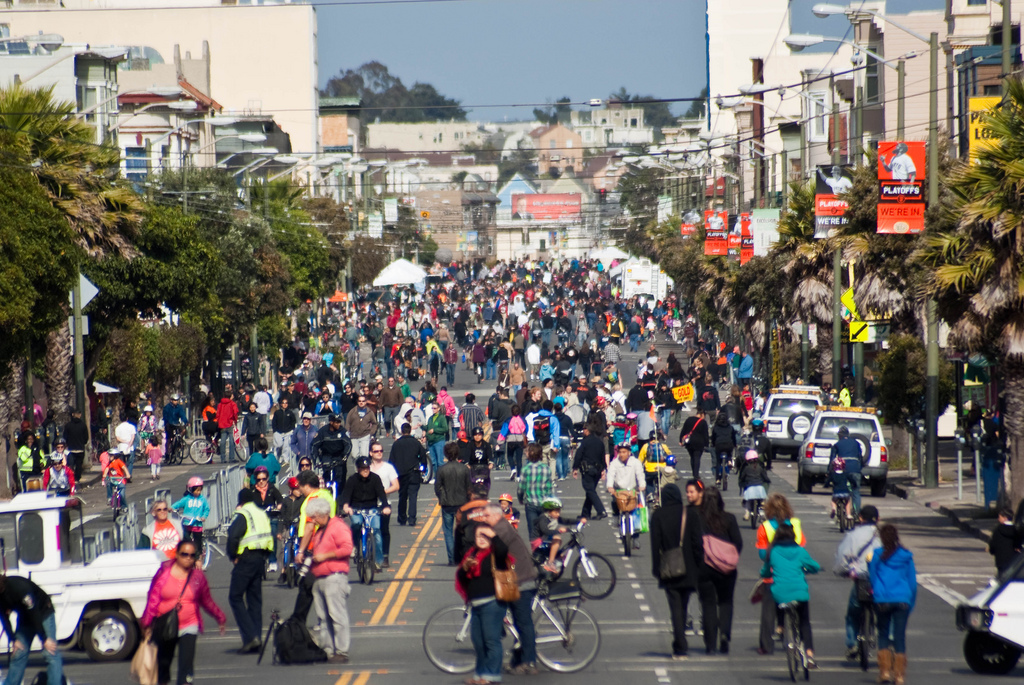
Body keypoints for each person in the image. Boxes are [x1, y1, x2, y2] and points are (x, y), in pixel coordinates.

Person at [141, 540, 227, 685]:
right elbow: (153, 600)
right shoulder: (164, 574)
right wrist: (147, 623)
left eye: (192, 555)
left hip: (189, 625)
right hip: (165, 625)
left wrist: (220, 617)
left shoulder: (198, 577)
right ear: (176, 555)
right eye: (184, 554)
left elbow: (206, 600)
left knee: (186, 666)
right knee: (163, 664)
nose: (188, 558)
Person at [477, 504, 538, 675]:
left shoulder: (501, 529)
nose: (484, 518)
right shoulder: (498, 527)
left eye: (486, 515)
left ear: (496, 516)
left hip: (521, 581)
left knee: (523, 622)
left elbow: (489, 551)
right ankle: (516, 659)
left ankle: (529, 661)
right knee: (518, 621)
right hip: (512, 580)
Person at [649, 482, 705, 660]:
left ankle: (680, 646)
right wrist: (699, 565)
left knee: (675, 607)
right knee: (684, 603)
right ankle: (681, 642)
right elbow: (697, 543)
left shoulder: (658, 515)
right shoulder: (689, 514)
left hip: (669, 568)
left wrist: (656, 568)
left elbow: (655, 544)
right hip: (689, 569)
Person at [455, 524, 510, 685]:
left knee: (491, 640)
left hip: (492, 603)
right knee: (478, 641)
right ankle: (480, 674)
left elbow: (503, 549)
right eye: (479, 536)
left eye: (485, 536)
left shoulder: (495, 554)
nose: (482, 539)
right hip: (476, 605)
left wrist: (492, 535)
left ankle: (492, 676)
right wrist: (464, 569)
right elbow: (462, 578)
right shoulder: (472, 553)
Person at [760, 522, 821, 667]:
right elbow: (815, 566)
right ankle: (810, 654)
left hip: (780, 592)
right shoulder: (800, 551)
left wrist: (766, 573)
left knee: (777, 596)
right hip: (799, 592)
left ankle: (780, 627)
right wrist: (808, 570)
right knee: (804, 622)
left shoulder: (773, 551)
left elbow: (765, 571)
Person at [755, 493, 806, 655]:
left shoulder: (765, 527)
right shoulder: (795, 524)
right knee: (799, 609)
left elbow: (763, 555)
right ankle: (800, 640)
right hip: (794, 573)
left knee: (768, 612)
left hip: (773, 574)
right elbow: (802, 546)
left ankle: (766, 645)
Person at [305, 496, 354, 664]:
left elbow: (347, 548)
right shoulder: (321, 530)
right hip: (320, 578)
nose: (313, 520)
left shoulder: (337, 527)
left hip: (334, 577)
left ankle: (341, 650)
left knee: (336, 615)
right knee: (323, 617)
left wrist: (325, 556)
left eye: (314, 517)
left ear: (322, 513)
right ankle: (328, 649)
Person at [226, 488, 273, 654]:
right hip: (260, 559)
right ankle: (257, 639)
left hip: (246, 558)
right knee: (255, 601)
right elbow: (269, 536)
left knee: (235, 596)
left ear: (240, 502)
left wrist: (233, 556)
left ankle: (250, 636)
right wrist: (265, 556)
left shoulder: (244, 514)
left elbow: (233, 536)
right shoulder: (261, 513)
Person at [696, 486, 742, 654]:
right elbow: (738, 542)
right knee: (725, 601)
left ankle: (710, 643)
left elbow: (694, 543)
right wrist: (730, 558)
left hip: (704, 567)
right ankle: (724, 633)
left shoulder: (698, 518)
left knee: (708, 604)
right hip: (726, 569)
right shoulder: (728, 518)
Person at [869, 524, 917, 685]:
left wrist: (876, 593)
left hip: (882, 599)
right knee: (899, 637)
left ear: (882, 539)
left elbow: (873, 578)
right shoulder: (906, 556)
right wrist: (910, 603)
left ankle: (884, 672)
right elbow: (912, 583)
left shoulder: (877, 555)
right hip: (902, 599)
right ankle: (900, 675)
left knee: (882, 634)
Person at [834, 504, 880, 661]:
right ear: (878, 519)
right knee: (885, 613)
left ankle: (852, 643)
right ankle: (890, 642)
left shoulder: (853, 535)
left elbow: (843, 555)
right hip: (879, 581)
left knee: (853, 614)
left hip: (861, 579)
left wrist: (841, 571)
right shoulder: (882, 536)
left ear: (860, 518)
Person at [0, 574, 64, 685]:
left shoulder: (18, 587)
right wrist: (13, 640)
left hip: (42, 612)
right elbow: (4, 617)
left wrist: (44, 638)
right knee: (19, 652)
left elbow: (33, 612)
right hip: (25, 617)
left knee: (50, 652)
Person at [340, 456, 391, 571]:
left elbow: (382, 495)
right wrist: (346, 506)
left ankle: (378, 561)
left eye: (367, 468)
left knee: (377, 529)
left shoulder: (375, 479)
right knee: (357, 523)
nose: (365, 470)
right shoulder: (352, 480)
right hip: (356, 509)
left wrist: (385, 507)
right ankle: (355, 546)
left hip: (372, 509)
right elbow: (346, 495)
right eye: (363, 468)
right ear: (358, 469)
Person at [436, 441, 472, 565]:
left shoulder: (442, 469)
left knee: (448, 532)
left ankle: (452, 559)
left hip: (447, 504)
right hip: (462, 503)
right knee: (463, 531)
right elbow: (469, 487)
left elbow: (437, 487)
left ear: (446, 454)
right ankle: (462, 556)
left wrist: (441, 497)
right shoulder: (464, 469)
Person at [606, 443, 646, 550]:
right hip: (619, 490)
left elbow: (640, 475)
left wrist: (642, 486)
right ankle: (616, 516)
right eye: (620, 452)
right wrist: (610, 487)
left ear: (629, 452)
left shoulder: (636, 463)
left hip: (632, 490)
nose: (622, 454)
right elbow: (610, 475)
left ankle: (636, 539)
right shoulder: (614, 463)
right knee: (614, 501)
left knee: (636, 513)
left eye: (624, 452)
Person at [389, 422, 428, 526]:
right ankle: (412, 519)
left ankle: (402, 518)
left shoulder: (396, 444)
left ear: (402, 431)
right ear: (410, 430)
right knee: (413, 497)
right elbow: (423, 456)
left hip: (400, 474)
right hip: (414, 473)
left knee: (402, 496)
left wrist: (392, 475)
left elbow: (391, 460)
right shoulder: (416, 443)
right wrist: (423, 468)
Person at [533, 497, 585, 573]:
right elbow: (545, 531)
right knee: (557, 539)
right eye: (556, 512)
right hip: (538, 541)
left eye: (559, 512)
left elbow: (566, 521)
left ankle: (555, 558)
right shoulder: (543, 518)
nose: (558, 514)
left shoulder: (554, 517)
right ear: (549, 511)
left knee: (560, 546)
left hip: (545, 538)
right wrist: (558, 531)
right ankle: (550, 563)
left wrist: (579, 521)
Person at [572, 420, 608, 520]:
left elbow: (579, 455)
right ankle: (585, 513)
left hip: (587, 469)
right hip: (597, 469)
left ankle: (601, 510)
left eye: (584, 429)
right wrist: (603, 469)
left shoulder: (585, 442)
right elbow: (602, 456)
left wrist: (575, 467)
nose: (583, 431)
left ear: (587, 430)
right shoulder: (599, 442)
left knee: (590, 490)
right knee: (590, 491)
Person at [518, 443, 555, 540]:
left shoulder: (526, 469)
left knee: (533, 530)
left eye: (527, 451)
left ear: (531, 453)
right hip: (544, 503)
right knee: (546, 529)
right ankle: (546, 550)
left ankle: (536, 552)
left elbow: (521, 488)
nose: (525, 453)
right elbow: (549, 488)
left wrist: (520, 498)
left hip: (531, 504)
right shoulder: (546, 469)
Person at [310, 413, 352, 488]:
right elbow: (314, 445)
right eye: (337, 422)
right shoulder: (322, 431)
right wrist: (315, 459)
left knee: (341, 479)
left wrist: (345, 456)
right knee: (326, 477)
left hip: (339, 457)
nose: (339, 424)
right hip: (326, 456)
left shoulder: (343, 431)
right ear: (331, 422)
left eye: (339, 422)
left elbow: (348, 444)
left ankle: (339, 496)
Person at [830, 426, 863, 514]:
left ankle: (839, 508)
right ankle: (856, 513)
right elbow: (860, 457)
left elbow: (832, 460)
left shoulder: (837, 444)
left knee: (840, 487)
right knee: (856, 491)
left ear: (840, 436)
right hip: (855, 469)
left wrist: (830, 472)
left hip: (843, 471)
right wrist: (860, 468)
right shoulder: (856, 443)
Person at [172, 477, 210, 553]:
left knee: (198, 542)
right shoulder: (186, 499)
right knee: (185, 539)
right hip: (187, 523)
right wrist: (171, 508)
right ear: (191, 489)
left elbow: (206, 509)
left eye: (200, 490)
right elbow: (178, 504)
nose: (198, 492)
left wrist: (204, 516)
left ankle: (198, 556)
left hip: (197, 524)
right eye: (197, 490)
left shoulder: (202, 499)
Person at [989, 506, 1022, 576]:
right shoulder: (1016, 530)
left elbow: (993, 543)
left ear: (1005, 518)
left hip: (1000, 559)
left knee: (1001, 578)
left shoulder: (998, 530)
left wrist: (992, 550)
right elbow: (1018, 543)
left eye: (999, 517)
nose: (998, 519)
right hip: (1013, 559)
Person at [738, 449, 770, 521]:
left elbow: (742, 478)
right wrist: (767, 481)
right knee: (763, 502)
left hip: (750, 488)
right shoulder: (760, 468)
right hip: (760, 488)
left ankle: (747, 513)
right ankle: (762, 514)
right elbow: (765, 477)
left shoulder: (746, 468)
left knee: (746, 501)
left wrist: (742, 483)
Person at [679, 409, 709, 480]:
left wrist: (681, 440)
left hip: (689, 442)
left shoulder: (689, 420)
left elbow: (684, 430)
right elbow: (705, 434)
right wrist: (706, 444)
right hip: (699, 443)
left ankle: (694, 472)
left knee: (692, 457)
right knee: (697, 458)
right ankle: (696, 474)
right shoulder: (703, 422)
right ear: (702, 415)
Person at [346, 394, 377, 460]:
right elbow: (348, 422)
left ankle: (363, 468)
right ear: (357, 402)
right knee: (354, 455)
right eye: (359, 401)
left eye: (363, 401)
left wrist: (371, 433)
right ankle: (357, 469)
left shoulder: (370, 412)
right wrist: (347, 431)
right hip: (353, 436)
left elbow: (375, 423)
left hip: (365, 435)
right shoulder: (352, 411)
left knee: (364, 455)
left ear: (366, 402)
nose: (361, 402)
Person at [710, 411, 735, 490]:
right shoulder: (730, 427)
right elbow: (733, 438)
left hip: (719, 445)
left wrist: (713, 444)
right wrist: (735, 444)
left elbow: (713, 438)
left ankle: (717, 479)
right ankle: (729, 460)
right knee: (730, 452)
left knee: (718, 462)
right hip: (728, 445)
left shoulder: (716, 427)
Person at [425, 398, 449, 476]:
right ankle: (436, 477)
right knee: (433, 461)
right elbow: (428, 428)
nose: (433, 410)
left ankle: (442, 477)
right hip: (431, 442)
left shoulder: (442, 418)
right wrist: (422, 427)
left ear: (438, 409)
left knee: (440, 461)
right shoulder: (430, 418)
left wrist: (435, 430)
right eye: (432, 408)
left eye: (435, 408)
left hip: (439, 441)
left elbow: (445, 428)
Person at [271, 397, 297, 467]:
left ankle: (285, 459)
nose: (285, 404)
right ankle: (277, 457)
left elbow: (293, 422)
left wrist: (292, 429)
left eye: (286, 403)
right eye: (283, 403)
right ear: (281, 404)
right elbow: (274, 422)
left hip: (288, 432)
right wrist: (275, 430)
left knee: (286, 446)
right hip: (278, 432)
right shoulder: (277, 413)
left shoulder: (290, 413)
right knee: (279, 445)